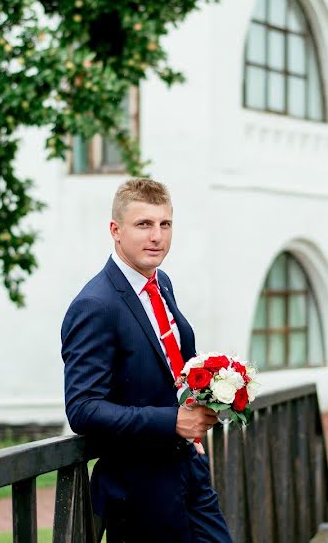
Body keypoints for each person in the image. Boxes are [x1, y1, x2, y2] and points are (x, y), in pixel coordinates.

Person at [61, 178, 232, 543]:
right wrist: (174, 420)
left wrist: (212, 392)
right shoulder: (95, 305)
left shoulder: (162, 282)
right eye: (143, 225)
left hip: (188, 469)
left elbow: (170, 363)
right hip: (138, 491)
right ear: (116, 230)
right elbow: (82, 408)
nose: (157, 236)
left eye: (164, 224)